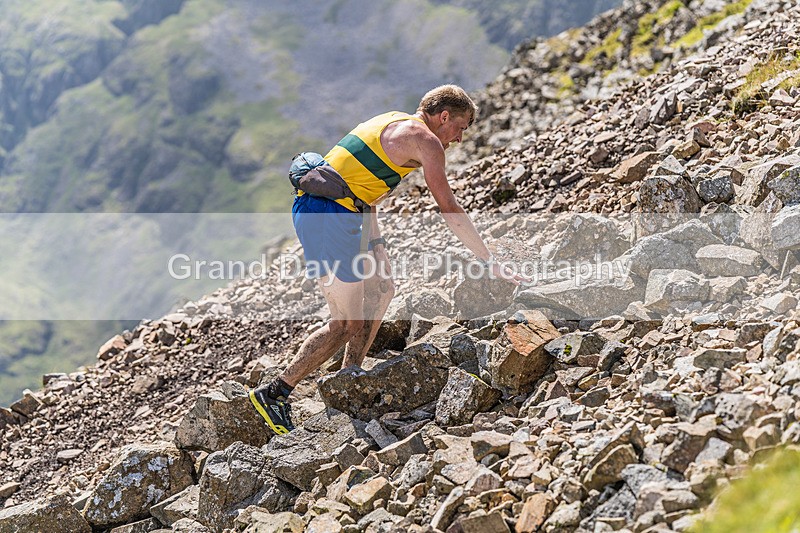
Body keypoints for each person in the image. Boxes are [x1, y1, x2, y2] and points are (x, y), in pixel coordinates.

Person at [249, 84, 526, 434]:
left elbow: (360, 186)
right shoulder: (426, 140)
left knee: (382, 289)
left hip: (342, 213)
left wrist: (376, 243)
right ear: (444, 117)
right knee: (346, 323)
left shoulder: (393, 121)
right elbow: (448, 207)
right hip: (327, 217)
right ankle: (275, 393)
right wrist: (489, 259)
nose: (459, 139)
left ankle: (348, 377)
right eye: (460, 127)